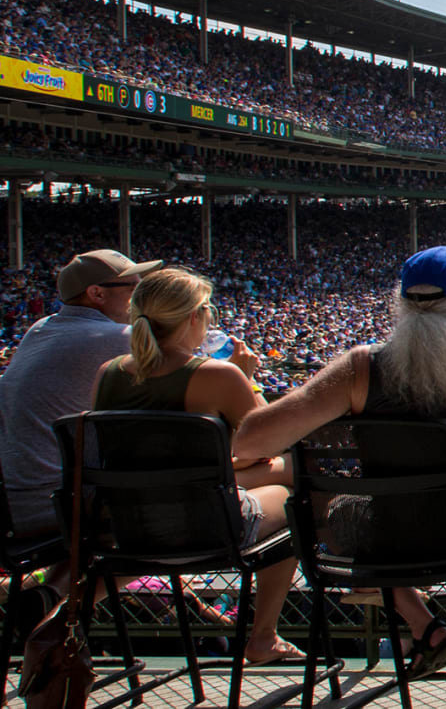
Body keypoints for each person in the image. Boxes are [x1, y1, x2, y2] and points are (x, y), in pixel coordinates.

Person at [236, 246, 446, 687]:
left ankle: (425, 626)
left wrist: (248, 378)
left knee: (343, 509)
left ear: (400, 301)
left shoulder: (359, 369)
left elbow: (251, 438)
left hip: (389, 538)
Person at [86, 267, 303, 664]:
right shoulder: (218, 375)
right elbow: (273, 437)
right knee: (292, 491)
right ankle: (264, 637)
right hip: (207, 526)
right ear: (193, 317)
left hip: (130, 527)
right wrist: (249, 379)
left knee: (263, 472)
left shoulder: (109, 374)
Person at [1, 249, 161, 541]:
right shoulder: (118, 338)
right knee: (180, 507)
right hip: (59, 504)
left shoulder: (39, 329)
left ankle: (49, 589)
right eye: (134, 288)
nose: (142, 296)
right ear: (97, 293)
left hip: (15, 506)